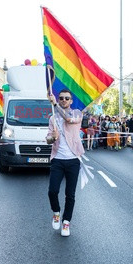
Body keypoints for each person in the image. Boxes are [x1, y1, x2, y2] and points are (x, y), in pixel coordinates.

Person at [46, 89, 84, 237]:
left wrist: (55, 104)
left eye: (66, 98)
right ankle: (56, 212)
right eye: (61, 98)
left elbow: (68, 119)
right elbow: (48, 140)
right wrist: (53, 137)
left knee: (70, 194)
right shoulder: (52, 118)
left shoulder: (77, 113)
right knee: (52, 191)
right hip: (58, 159)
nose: (63, 100)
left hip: (73, 160)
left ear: (71, 101)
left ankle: (66, 222)